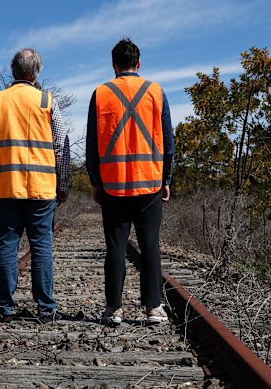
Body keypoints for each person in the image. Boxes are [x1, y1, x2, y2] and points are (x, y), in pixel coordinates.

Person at [86, 38, 174, 325]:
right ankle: (153, 308)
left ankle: (114, 309)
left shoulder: (100, 93)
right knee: (149, 246)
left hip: (113, 185)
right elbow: (168, 142)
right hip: (149, 182)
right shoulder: (155, 91)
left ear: (113, 65)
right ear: (138, 63)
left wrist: (96, 182)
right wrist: (166, 179)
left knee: (115, 247)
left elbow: (91, 144)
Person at [0, 48, 70, 323]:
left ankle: (5, 307)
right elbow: (60, 147)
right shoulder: (46, 101)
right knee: (41, 245)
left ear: (13, 70)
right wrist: (63, 183)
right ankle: (46, 309)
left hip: (5, 186)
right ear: (35, 72)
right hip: (41, 187)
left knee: (7, 245)